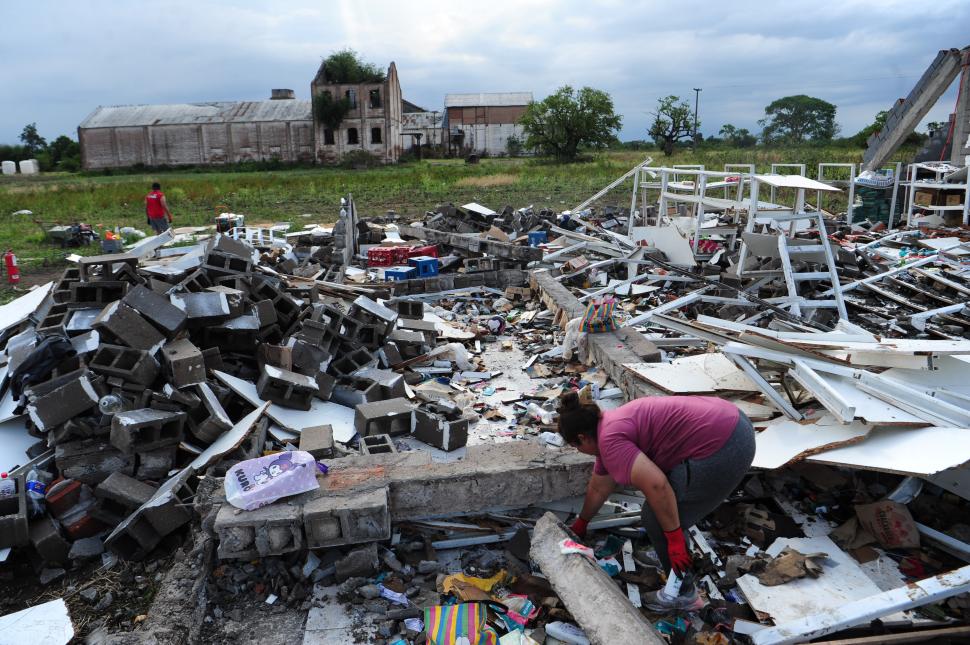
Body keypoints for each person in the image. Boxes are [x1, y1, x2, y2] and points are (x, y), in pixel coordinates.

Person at [557, 391, 755, 612]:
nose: (580, 452)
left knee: (657, 520)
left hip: (726, 446)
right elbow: (598, 487)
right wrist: (581, 523)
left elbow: (657, 486)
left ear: (582, 438)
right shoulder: (608, 425)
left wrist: (674, 539)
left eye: (576, 447)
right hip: (733, 421)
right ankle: (667, 554)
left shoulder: (610, 441)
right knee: (664, 518)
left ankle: (683, 594)